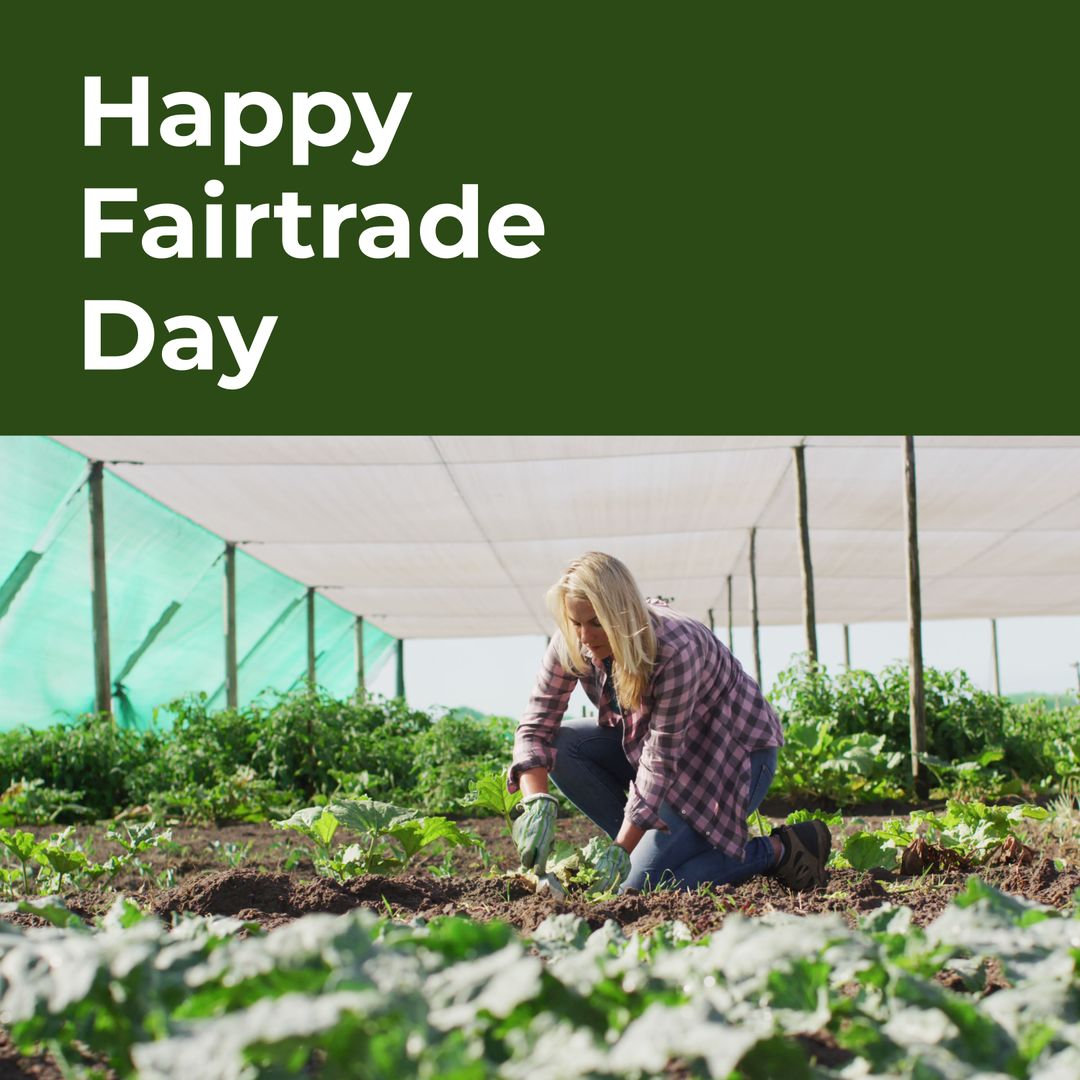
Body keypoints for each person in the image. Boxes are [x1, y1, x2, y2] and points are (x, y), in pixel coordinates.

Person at [508, 551, 830, 894]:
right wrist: (536, 802)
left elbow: (659, 763)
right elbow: (536, 725)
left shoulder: (674, 648)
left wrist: (620, 852)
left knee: (645, 886)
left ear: (621, 615)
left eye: (596, 623)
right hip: (656, 762)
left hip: (731, 761)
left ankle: (780, 850)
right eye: (576, 623)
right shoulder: (574, 640)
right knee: (563, 744)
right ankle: (662, 847)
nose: (585, 636)